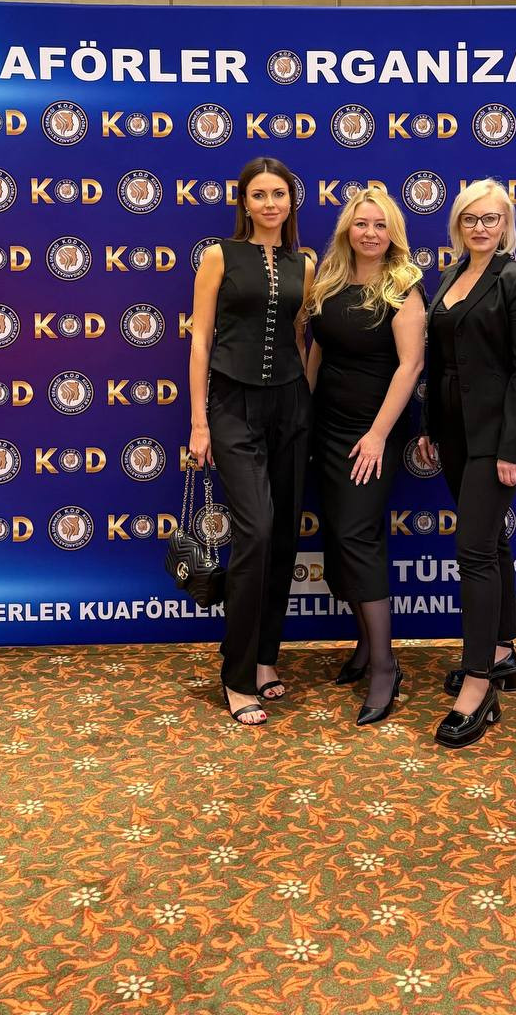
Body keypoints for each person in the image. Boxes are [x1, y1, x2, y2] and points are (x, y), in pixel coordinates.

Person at [418, 179, 516, 748]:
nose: (480, 227)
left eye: (490, 218)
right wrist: (429, 426)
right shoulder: (449, 276)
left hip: (496, 435)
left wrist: (510, 449)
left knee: (473, 552)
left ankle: (479, 686)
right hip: (453, 430)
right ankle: (500, 652)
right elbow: (440, 360)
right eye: (470, 218)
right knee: (492, 543)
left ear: (506, 225)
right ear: (457, 224)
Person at [188, 157, 313, 726]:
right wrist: (199, 422)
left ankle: (265, 658)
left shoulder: (304, 263)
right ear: (244, 202)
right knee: (256, 532)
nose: (269, 203)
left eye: (278, 194)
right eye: (259, 194)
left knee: (283, 534)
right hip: (232, 405)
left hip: (290, 405)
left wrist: (306, 401)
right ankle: (237, 677)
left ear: (291, 202)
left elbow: (299, 339)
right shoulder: (219, 255)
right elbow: (201, 339)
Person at [307, 190, 425, 724]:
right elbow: (318, 349)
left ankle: (384, 666)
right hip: (327, 427)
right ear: (347, 231)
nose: (370, 233)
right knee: (339, 535)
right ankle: (363, 645)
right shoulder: (329, 280)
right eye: (361, 224)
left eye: (380, 225)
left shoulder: (403, 286)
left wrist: (378, 435)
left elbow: (410, 366)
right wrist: (304, 413)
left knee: (357, 536)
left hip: (372, 431)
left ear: (392, 232)